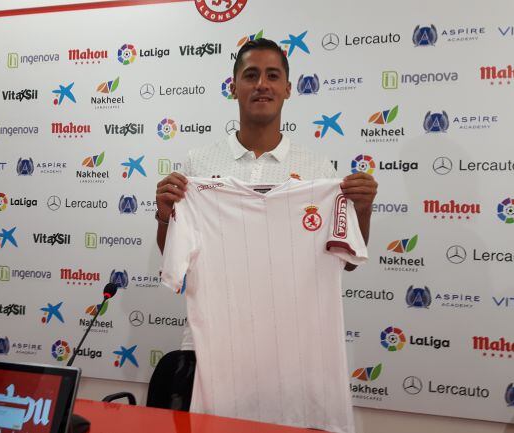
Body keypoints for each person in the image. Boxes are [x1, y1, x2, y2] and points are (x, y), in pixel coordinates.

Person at [154, 38, 378, 430]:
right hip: (213, 352)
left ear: (288, 88)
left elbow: (347, 262)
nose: (262, 84)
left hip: (293, 354)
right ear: (233, 86)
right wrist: (163, 216)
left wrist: (362, 209)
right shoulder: (199, 165)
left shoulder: (318, 170)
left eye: (273, 75)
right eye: (251, 75)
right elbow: (176, 261)